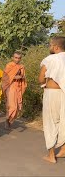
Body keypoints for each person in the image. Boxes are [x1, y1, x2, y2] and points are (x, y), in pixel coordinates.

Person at [38, 36, 65, 164]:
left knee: (50, 122)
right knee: (63, 121)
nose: (49, 47)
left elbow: (41, 78)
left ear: (56, 47)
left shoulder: (50, 59)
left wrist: (44, 84)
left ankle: (51, 155)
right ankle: (64, 150)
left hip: (53, 93)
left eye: (50, 45)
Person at [2, 51, 27, 130]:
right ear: (13, 57)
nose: (17, 59)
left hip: (18, 87)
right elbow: (6, 77)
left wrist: (21, 77)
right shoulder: (9, 65)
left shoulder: (21, 66)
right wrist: (16, 77)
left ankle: (9, 121)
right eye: (15, 57)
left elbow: (23, 77)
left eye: (19, 58)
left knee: (17, 107)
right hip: (10, 86)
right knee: (12, 106)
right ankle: (7, 121)